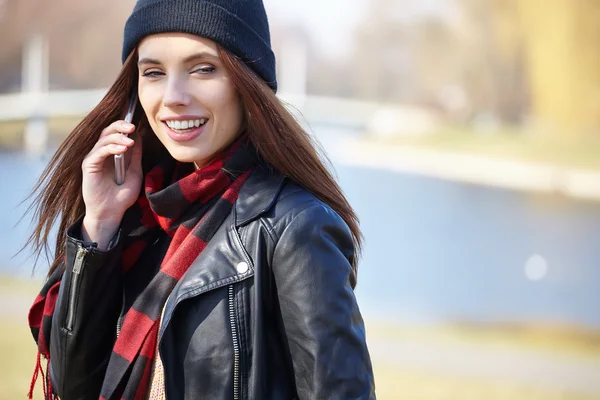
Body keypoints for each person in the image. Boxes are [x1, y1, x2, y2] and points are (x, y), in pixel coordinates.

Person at [26, 0, 375, 399]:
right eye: (153, 72)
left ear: (248, 83)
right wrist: (100, 225)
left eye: (203, 69)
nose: (173, 96)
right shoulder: (139, 222)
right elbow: (74, 386)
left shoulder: (295, 228)